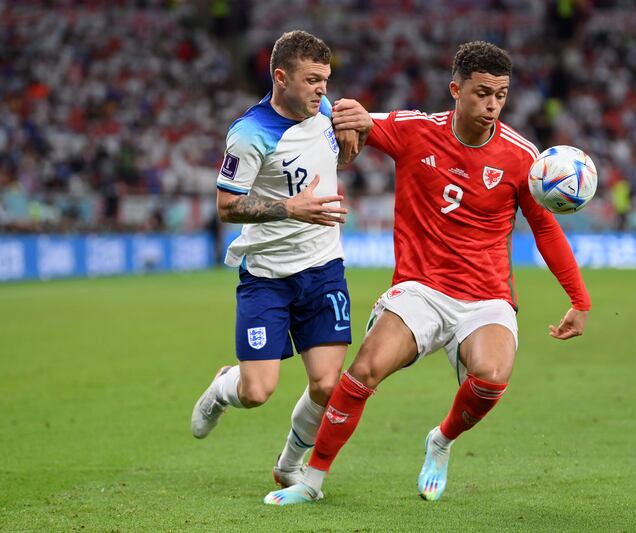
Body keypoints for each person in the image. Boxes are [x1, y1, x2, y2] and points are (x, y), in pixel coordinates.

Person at [265, 41, 591, 505]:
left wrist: (580, 300)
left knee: (492, 378)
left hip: (486, 297)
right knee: (363, 371)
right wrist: (349, 112)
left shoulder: (522, 157)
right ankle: (311, 480)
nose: (492, 105)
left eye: (501, 94)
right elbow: (354, 118)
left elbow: (545, 229)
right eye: (482, 93)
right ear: (456, 89)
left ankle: (440, 440)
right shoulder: (415, 130)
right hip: (419, 290)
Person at [190, 30, 362, 491]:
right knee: (257, 391)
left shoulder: (322, 110)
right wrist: (291, 209)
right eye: (312, 80)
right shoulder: (248, 134)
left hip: (323, 268)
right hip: (267, 275)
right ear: (282, 78)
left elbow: (315, 164)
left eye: (326, 79)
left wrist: (347, 147)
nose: (323, 90)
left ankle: (289, 465)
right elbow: (227, 208)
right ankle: (223, 386)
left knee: (328, 386)